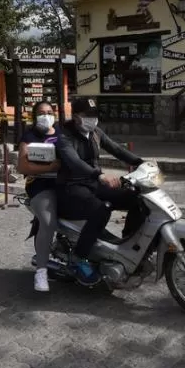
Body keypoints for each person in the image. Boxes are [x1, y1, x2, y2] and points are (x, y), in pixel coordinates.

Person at [55, 98, 145, 285]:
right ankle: (78, 259)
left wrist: (141, 162)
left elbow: (117, 149)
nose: (93, 119)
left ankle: (127, 244)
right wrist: (99, 175)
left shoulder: (95, 132)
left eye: (95, 115)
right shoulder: (63, 135)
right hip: (71, 186)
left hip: (93, 183)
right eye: (88, 115)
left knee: (137, 198)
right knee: (101, 209)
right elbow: (74, 162)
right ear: (76, 116)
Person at [16, 102, 61, 292]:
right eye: (42, 113)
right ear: (34, 116)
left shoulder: (61, 132)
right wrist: (50, 167)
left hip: (65, 183)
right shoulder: (29, 136)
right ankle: (41, 271)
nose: (46, 116)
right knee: (48, 222)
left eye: (50, 112)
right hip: (40, 184)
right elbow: (23, 166)